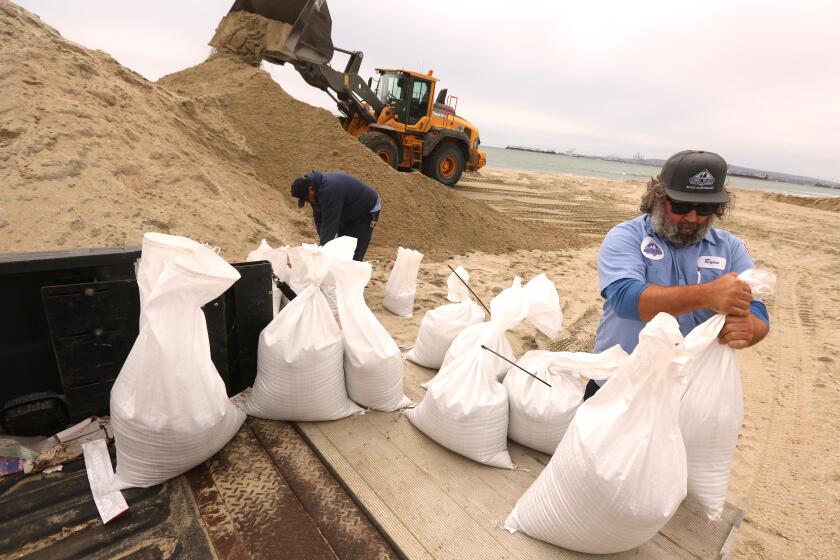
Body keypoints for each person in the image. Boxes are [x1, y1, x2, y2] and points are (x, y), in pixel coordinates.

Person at [586, 150, 770, 399]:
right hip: (618, 388)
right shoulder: (626, 236)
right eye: (681, 205)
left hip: (690, 394)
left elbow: (757, 309)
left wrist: (750, 329)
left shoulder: (730, 247)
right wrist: (707, 295)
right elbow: (625, 299)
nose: (692, 217)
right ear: (658, 198)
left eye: (705, 208)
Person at [290, 170, 381, 261]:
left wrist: (322, 251)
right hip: (349, 211)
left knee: (352, 253)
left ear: (310, 189)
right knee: (339, 249)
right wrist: (322, 245)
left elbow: (330, 225)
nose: (307, 202)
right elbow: (319, 219)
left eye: (307, 199)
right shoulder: (315, 189)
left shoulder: (328, 191)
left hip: (366, 209)